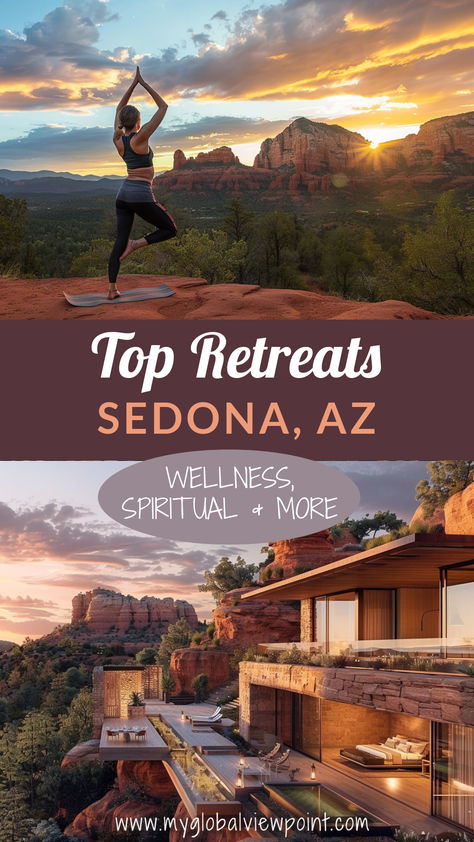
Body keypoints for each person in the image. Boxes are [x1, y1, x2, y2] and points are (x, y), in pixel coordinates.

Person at [108, 67, 177, 299]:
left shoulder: (118, 139)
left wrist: (132, 84)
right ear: (138, 122)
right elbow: (163, 107)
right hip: (140, 195)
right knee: (170, 229)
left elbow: (119, 109)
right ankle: (136, 244)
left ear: (122, 123)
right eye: (139, 119)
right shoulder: (141, 137)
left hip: (123, 195)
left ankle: (111, 289)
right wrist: (143, 84)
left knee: (119, 240)